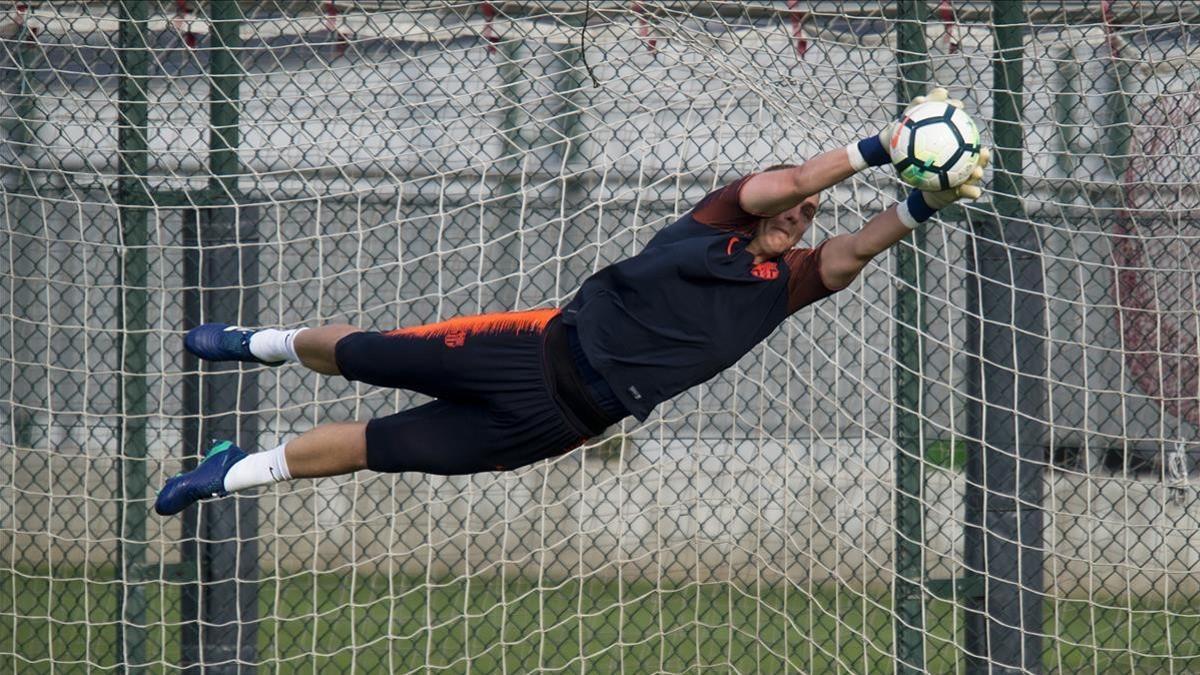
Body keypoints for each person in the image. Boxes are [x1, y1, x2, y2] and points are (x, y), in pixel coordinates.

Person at [155, 89, 988, 516]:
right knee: (366, 353)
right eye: (796, 207)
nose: (805, 214)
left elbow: (853, 252)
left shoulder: (787, 285)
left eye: (811, 218)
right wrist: (884, 145)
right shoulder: (722, 214)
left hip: (559, 422)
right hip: (533, 347)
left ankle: (231, 472)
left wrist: (921, 203)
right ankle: (259, 342)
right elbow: (800, 177)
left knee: (387, 446)